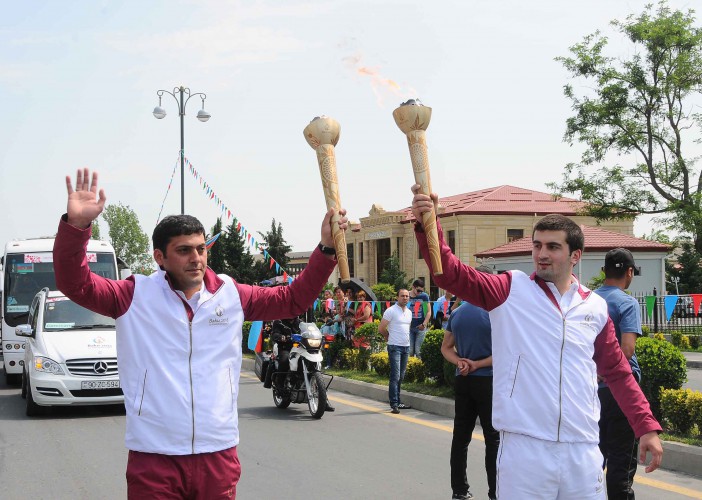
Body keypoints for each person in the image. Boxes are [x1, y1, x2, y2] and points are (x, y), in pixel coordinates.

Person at [53, 169, 347, 499]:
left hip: (217, 452)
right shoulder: (132, 296)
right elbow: (74, 283)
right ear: (160, 258)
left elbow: (294, 299)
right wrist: (76, 229)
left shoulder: (231, 294)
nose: (196, 258)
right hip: (154, 456)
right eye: (184, 251)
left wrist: (324, 249)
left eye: (200, 248)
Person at [411, 185, 662, 499]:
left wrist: (646, 426)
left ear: (575, 256)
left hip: (582, 451)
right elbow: (449, 274)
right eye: (537, 245)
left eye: (553, 247)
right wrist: (428, 224)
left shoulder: (594, 307)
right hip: (525, 451)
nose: (542, 254)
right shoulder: (509, 291)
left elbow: (617, 372)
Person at [441, 265, 499, 500]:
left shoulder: (458, 313)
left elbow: (446, 348)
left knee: (460, 437)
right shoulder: (495, 313)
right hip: (488, 381)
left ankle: (459, 490)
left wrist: (460, 363)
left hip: (463, 381)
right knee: (493, 439)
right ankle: (495, 493)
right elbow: (506, 352)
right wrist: (478, 364)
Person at [596, 248, 644, 499]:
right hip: (620, 390)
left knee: (593, 457)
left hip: (591, 388)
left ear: (604, 271)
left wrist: (595, 372)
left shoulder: (587, 299)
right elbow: (626, 350)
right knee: (621, 462)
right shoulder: (627, 302)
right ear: (628, 272)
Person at [378, 288, 412, 414]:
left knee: (401, 376)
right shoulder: (391, 311)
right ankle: (394, 404)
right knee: (395, 376)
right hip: (394, 347)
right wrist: (388, 336)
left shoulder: (409, 312)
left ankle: (398, 401)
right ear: (397, 297)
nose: (405, 298)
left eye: (407, 296)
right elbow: (381, 328)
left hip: (406, 347)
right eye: (402, 296)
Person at [408, 278, 431, 357]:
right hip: (409, 327)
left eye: (421, 291)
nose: (420, 293)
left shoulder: (424, 296)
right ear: (413, 287)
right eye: (418, 290)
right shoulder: (406, 296)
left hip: (420, 326)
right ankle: (409, 368)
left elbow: (429, 312)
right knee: (410, 351)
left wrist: (424, 324)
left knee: (419, 351)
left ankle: (420, 368)